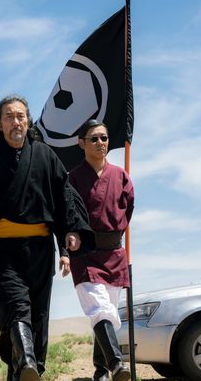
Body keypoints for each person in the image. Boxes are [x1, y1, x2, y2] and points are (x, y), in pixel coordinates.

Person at [0, 95, 95, 381]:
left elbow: (65, 195)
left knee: (38, 316)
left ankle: (27, 369)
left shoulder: (44, 155)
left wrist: (69, 233)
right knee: (16, 306)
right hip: (1, 252)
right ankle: (27, 361)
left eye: (20, 116)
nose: (15, 122)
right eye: (9, 117)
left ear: (28, 121)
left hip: (39, 251)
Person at [68, 119, 134, 381]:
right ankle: (117, 363)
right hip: (85, 254)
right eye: (94, 138)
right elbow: (68, 215)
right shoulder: (73, 178)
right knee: (99, 308)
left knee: (107, 312)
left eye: (104, 138)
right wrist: (67, 249)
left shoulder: (121, 176)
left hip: (114, 253)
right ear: (81, 143)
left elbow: (128, 209)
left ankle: (100, 371)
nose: (100, 143)